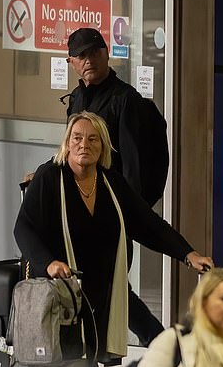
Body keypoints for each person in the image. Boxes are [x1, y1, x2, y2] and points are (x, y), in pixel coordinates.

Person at [14, 111, 214, 366]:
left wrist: (188, 254)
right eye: (76, 138)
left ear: (103, 146)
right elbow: (24, 228)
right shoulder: (50, 177)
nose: (83, 145)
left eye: (92, 139)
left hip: (98, 291)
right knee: (62, 365)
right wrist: (49, 263)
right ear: (67, 143)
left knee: (87, 366)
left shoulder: (110, 182)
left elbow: (148, 224)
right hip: (59, 291)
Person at [64, 27, 170, 345]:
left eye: (95, 52)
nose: (89, 60)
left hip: (112, 214)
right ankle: (163, 347)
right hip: (81, 211)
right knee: (104, 289)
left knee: (109, 289)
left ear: (107, 53)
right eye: (81, 56)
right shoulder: (77, 99)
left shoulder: (126, 101)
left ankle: (162, 345)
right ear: (71, 62)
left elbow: (136, 170)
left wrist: (128, 217)